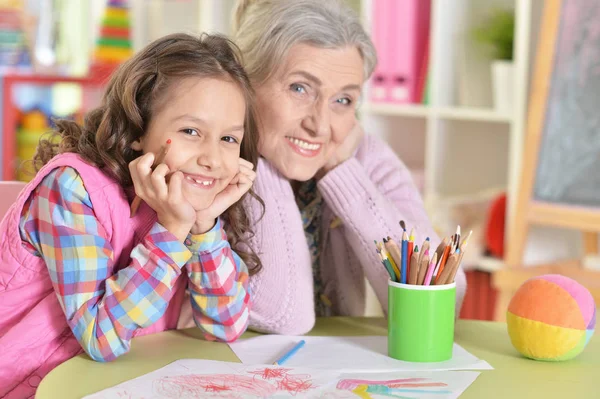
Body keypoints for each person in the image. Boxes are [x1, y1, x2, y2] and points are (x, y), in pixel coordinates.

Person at [0, 33, 260, 397]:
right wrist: (172, 231)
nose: (213, 159)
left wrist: (203, 227)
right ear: (138, 128)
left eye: (228, 139)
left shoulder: (180, 201)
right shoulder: (71, 188)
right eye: (191, 131)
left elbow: (226, 325)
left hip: (119, 385)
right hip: (29, 386)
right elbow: (99, 338)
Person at [232, 0, 467, 334]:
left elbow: (444, 302)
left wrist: (342, 172)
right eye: (300, 88)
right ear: (244, 83)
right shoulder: (213, 162)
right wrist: (260, 158)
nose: (321, 125)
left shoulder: (364, 158)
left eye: (342, 100)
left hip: (330, 376)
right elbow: (283, 317)